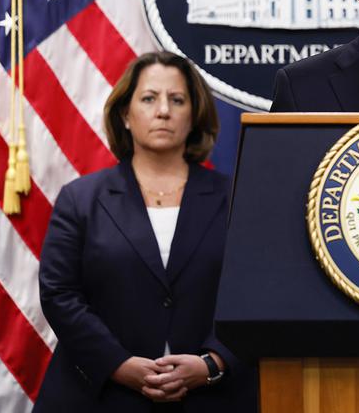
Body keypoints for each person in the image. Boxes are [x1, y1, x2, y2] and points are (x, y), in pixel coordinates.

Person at [36, 52, 256, 412]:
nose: (164, 111)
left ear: (194, 115)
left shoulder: (235, 197)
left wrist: (212, 364)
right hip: (101, 397)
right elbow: (59, 293)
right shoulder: (81, 199)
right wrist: (117, 364)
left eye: (177, 100)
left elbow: (256, 294)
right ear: (125, 113)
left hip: (211, 399)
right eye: (149, 98)